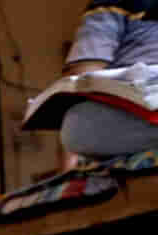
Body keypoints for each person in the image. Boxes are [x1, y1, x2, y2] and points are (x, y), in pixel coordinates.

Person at [60, 0, 158, 159]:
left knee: (78, 126)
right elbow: (83, 81)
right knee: (80, 123)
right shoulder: (113, 5)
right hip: (138, 106)